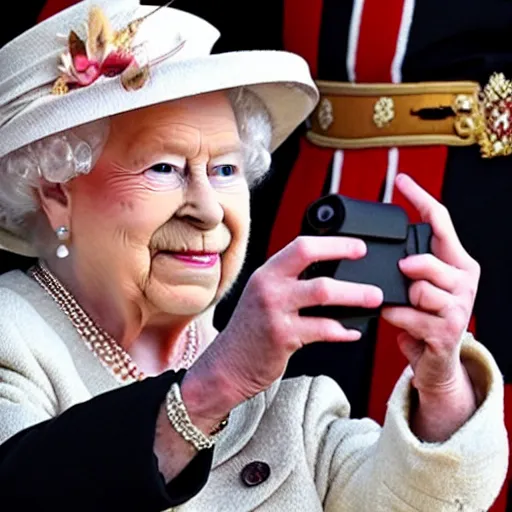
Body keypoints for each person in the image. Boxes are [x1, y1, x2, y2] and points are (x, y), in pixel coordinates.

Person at [0, 0, 507, 510]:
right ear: (56, 192)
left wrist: (441, 381)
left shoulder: (288, 398)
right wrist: (213, 388)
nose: (207, 210)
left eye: (225, 170)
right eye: (163, 168)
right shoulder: (13, 338)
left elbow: (412, 502)